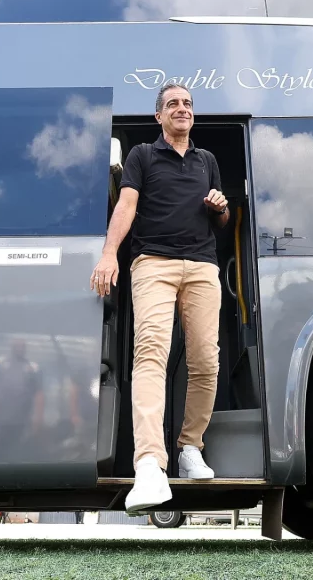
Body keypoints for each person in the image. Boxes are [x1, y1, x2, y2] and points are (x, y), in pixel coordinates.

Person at [90, 81, 229, 512]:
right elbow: (127, 206)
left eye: (187, 103)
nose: (182, 108)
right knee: (151, 353)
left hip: (202, 267)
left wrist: (220, 206)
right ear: (159, 115)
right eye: (173, 104)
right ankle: (149, 463)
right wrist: (109, 254)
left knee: (206, 361)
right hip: (153, 263)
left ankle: (190, 448)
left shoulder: (207, 161)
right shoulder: (143, 155)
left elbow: (223, 221)